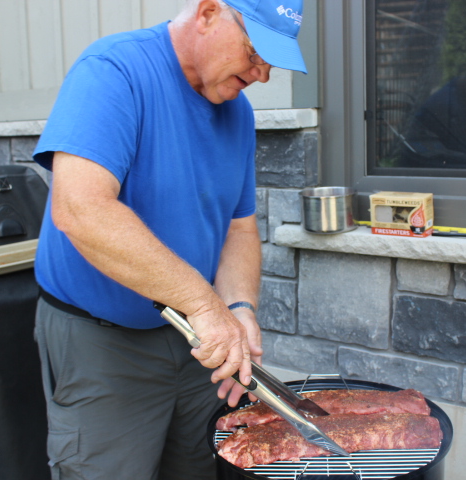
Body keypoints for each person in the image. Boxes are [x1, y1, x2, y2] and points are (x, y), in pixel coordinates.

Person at [31, 0, 307, 478]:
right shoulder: (114, 70)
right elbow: (81, 209)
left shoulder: (237, 113)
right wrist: (204, 303)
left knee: (199, 469)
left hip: (196, 343)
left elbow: (238, 225)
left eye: (272, 61)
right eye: (255, 50)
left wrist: (239, 309)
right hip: (103, 343)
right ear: (207, 14)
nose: (262, 73)